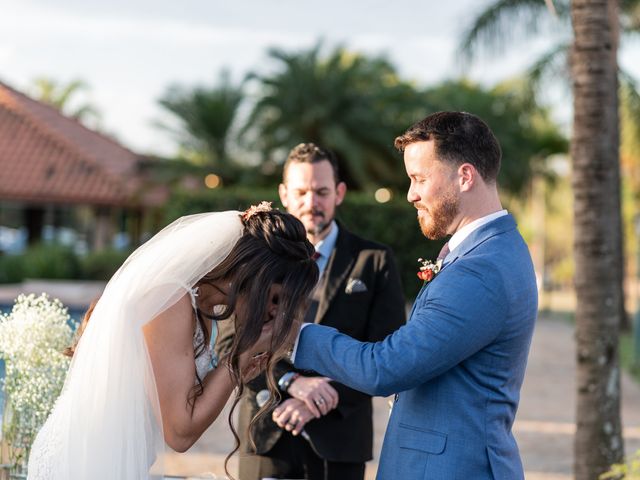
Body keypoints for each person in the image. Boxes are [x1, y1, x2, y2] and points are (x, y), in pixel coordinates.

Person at [292, 112, 539, 479]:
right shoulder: (492, 250)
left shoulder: (481, 269)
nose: (411, 195)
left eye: (419, 179)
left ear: (465, 176)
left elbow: (385, 368)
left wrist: (294, 334)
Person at [27, 203, 319, 480]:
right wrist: (240, 359)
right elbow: (179, 433)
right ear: (256, 278)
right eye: (277, 299)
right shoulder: (170, 299)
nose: (275, 314)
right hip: (87, 461)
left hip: (119, 458)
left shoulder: (199, 301)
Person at [218, 143, 406, 480]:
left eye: (321, 192)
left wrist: (319, 396)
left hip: (341, 439)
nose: (311, 203)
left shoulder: (375, 261)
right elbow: (231, 343)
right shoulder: (257, 259)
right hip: (265, 432)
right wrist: (290, 383)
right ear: (283, 194)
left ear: (340, 192)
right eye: (301, 192)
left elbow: (387, 352)